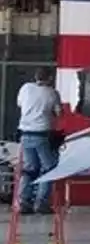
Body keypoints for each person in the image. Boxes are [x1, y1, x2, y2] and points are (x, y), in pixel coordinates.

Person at [15, 67, 62, 215]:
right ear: (50, 78)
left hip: (24, 134)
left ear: (36, 77)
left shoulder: (25, 88)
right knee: (49, 168)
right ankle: (41, 203)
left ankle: (24, 202)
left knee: (29, 169)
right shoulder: (52, 93)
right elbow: (58, 113)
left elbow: (20, 104)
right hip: (41, 135)